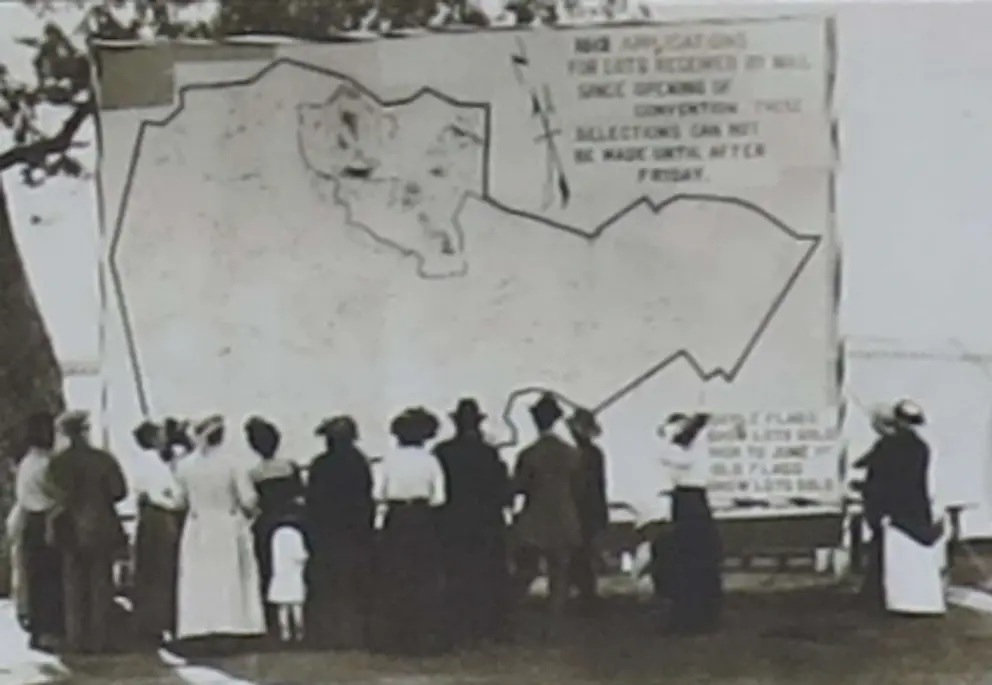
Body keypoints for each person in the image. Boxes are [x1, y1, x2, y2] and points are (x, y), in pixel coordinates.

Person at [173, 415, 266, 649]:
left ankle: (200, 625)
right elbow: (248, 498)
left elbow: (179, 501)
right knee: (230, 575)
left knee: (201, 576)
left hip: (198, 525)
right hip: (227, 522)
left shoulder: (185, 465)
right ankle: (234, 623)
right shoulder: (233, 463)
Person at [46, 410, 129, 654]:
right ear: (85, 430)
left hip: (69, 529)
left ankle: (76, 639)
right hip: (102, 526)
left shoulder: (57, 462)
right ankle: (100, 638)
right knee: (101, 584)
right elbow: (119, 492)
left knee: (73, 585)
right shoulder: (103, 459)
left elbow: (53, 494)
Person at [369, 406, 448, 656]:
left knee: (395, 576)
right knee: (424, 577)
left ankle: (396, 637)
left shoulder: (388, 460)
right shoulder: (431, 461)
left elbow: (377, 494)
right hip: (423, 518)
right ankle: (424, 636)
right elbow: (439, 498)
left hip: (397, 518)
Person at [433, 398, 512, 646]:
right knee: (487, 575)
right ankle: (487, 627)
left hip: (452, 522)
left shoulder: (442, 452)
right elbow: (503, 491)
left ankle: (459, 626)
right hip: (486, 523)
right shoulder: (489, 454)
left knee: (456, 574)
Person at [856, 400, 945, 615]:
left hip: (892, 508)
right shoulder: (922, 447)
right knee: (913, 557)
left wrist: (867, 491)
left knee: (886, 553)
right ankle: (913, 597)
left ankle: (879, 596)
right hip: (915, 507)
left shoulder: (889, 445)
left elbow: (874, 471)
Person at [511, 393, 585, 639]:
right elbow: (580, 487)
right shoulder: (571, 453)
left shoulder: (529, 454)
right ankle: (555, 626)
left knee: (525, 571)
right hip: (564, 515)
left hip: (535, 516)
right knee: (559, 575)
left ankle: (514, 619)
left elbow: (519, 486)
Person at [304, 415, 374, 649]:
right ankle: (356, 634)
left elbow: (313, 500)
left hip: (327, 531)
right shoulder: (360, 462)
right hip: (355, 530)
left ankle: (328, 634)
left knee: (328, 583)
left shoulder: (320, 465)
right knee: (355, 582)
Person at [658, 412, 723, 635]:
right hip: (692, 501)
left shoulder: (684, 450)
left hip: (688, 501)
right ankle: (699, 614)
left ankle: (691, 615)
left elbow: (673, 454)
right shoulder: (690, 448)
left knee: (689, 561)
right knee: (696, 561)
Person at [245, 416, 304, 636]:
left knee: (268, 572)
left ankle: (273, 623)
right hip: (293, 520)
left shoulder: (255, 473)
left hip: (267, 524)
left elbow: (254, 502)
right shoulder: (289, 467)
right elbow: (300, 493)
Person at [131, 420, 185, 646]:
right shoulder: (157, 465)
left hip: (146, 520)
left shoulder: (139, 462)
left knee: (148, 572)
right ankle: (165, 622)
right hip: (161, 518)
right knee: (165, 571)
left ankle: (148, 624)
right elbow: (171, 496)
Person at [12, 412, 63, 651]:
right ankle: (48, 630)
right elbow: (57, 495)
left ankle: (36, 626)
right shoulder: (47, 464)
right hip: (44, 521)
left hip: (28, 520)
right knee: (47, 577)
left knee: (33, 576)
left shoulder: (27, 461)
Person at [566, 408, 609, 611]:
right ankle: (586, 595)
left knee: (579, 554)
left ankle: (583, 595)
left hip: (580, 509)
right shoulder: (593, 454)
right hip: (587, 509)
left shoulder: (578, 454)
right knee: (582, 554)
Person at [268, 516, 308, 643]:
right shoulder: (295, 534)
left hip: (280, 575)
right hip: (294, 576)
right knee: (296, 606)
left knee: (282, 607)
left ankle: (284, 633)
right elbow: (299, 555)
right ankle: (299, 631)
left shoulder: (277, 534)